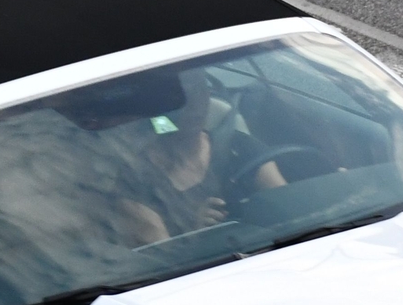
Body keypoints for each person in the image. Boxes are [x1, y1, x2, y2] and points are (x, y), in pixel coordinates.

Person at [110, 73, 285, 246]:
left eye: (200, 93)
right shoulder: (134, 182)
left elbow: (289, 208)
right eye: (180, 98)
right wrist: (193, 233)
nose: (195, 106)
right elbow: (166, 263)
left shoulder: (238, 146)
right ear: (158, 108)